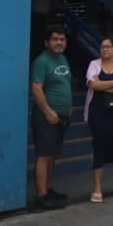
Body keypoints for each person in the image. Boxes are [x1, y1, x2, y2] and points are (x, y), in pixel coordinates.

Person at [29, 26, 73, 209]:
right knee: (44, 155)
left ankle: (48, 189)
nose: (59, 43)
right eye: (55, 39)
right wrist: (48, 112)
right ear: (46, 42)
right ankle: (41, 196)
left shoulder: (63, 59)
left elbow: (64, 84)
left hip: (61, 116)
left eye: (62, 39)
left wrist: (68, 108)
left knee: (53, 155)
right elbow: (36, 88)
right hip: (46, 117)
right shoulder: (41, 62)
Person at [84, 37, 113, 202]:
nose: (105, 49)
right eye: (102, 47)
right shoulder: (94, 64)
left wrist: (103, 84)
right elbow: (92, 85)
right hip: (98, 112)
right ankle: (97, 188)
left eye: (108, 47)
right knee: (99, 145)